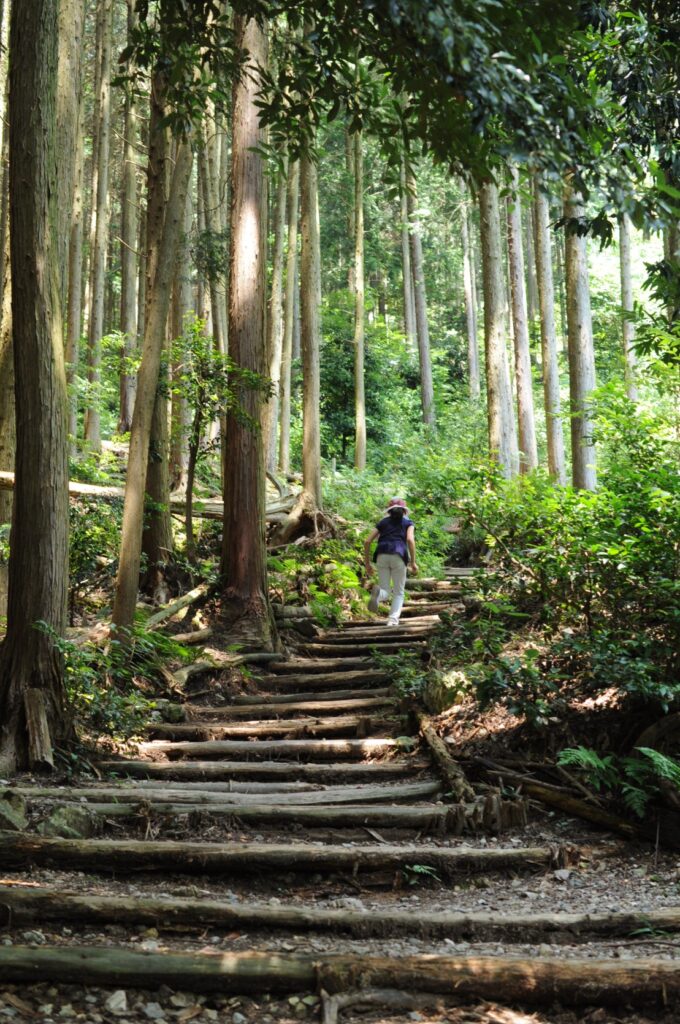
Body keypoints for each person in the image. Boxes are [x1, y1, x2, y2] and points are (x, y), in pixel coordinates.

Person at [363, 497, 418, 625]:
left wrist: (367, 564)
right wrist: (413, 562)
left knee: (386, 591)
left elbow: (367, 541)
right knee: (398, 592)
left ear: (389, 511)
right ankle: (392, 620)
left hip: (381, 555)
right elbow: (410, 540)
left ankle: (379, 594)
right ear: (404, 511)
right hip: (398, 555)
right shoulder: (408, 523)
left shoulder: (383, 522)